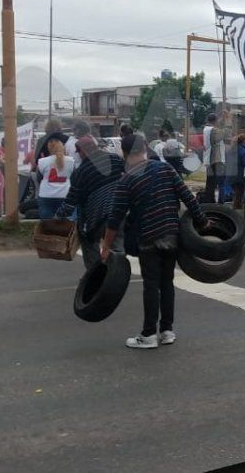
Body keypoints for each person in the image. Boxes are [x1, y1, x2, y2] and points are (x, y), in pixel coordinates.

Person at [101, 133, 209, 349]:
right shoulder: (165, 169)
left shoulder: (126, 179)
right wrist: (203, 222)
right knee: (167, 283)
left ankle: (149, 334)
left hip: (147, 238)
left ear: (124, 153)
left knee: (151, 285)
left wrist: (106, 246)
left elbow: (115, 218)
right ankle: (167, 331)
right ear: (144, 150)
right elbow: (188, 197)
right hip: (171, 234)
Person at [55, 135, 124, 269]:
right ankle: (118, 272)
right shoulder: (115, 159)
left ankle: (95, 274)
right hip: (118, 212)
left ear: (82, 151)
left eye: (79, 152)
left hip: (95, 218)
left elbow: (70, 202)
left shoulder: (80, 172)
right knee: (117, 246)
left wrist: (57, 217)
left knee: (89, 241)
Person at [36, 139, 75, 220]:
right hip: (65, 194)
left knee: (46, 224)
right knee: (65, 223)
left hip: (46, 195)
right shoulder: (71, 161)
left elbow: (39, 178)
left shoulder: (42, 161)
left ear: (49, 149)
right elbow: (74, 178)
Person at [201, 113, 229, 203]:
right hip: (217, 159)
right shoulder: (213, 130)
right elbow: (224, 133)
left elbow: (218, 129)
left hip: (208, 159)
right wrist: (228, 122)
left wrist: (222, 119)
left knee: (210, 182)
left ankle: (209, 200)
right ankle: (221, 203)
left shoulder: (206, 129)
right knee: (221, 182)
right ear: (214, 121)